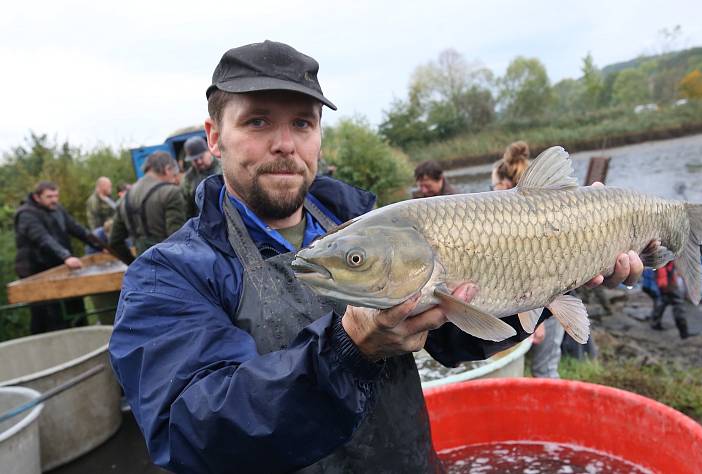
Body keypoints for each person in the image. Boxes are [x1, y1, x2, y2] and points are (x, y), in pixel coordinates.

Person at [108, 39, 647, 473]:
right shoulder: (167, 275)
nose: (284, 143)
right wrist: (348, 350)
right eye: (257, 122)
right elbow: (194, 435)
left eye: (302, 123)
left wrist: (549, 280)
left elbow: (451, 337)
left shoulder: (363, 222)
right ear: (214, 137)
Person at [14, 181, 102, 333]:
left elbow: (77, 229)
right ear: (37, 197)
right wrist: (66, 256)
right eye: (49, 196)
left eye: (56, 196)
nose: (54, 200)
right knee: (47, 315)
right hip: (35, 270)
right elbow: (42, 238)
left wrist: (101, 246)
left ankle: (82, 335)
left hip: (58, 265)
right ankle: (45, 346)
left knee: (75, 305)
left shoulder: (57, 209)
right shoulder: (26, 214)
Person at [108, 151, 186, 263]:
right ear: (167, 169)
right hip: (171, 269)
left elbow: (114, 242)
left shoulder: (125, 199)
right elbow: (178, 240)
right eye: (174, 175)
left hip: (143, 272)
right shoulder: (171, 192)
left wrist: (134, 263)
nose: (175, 180)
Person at [649, 262, 695, 339]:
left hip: (664, 283)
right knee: (678, 306)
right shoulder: (668, 260)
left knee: (663, 302)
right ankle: (684, 332)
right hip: (668, 285)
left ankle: (655, 323)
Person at [181, 136, 222, 219]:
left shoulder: (224, 168)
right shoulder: (188, 178)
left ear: (209, 151)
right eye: (195, 159)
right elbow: (186, 207)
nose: (199, 162)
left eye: (201, 157)